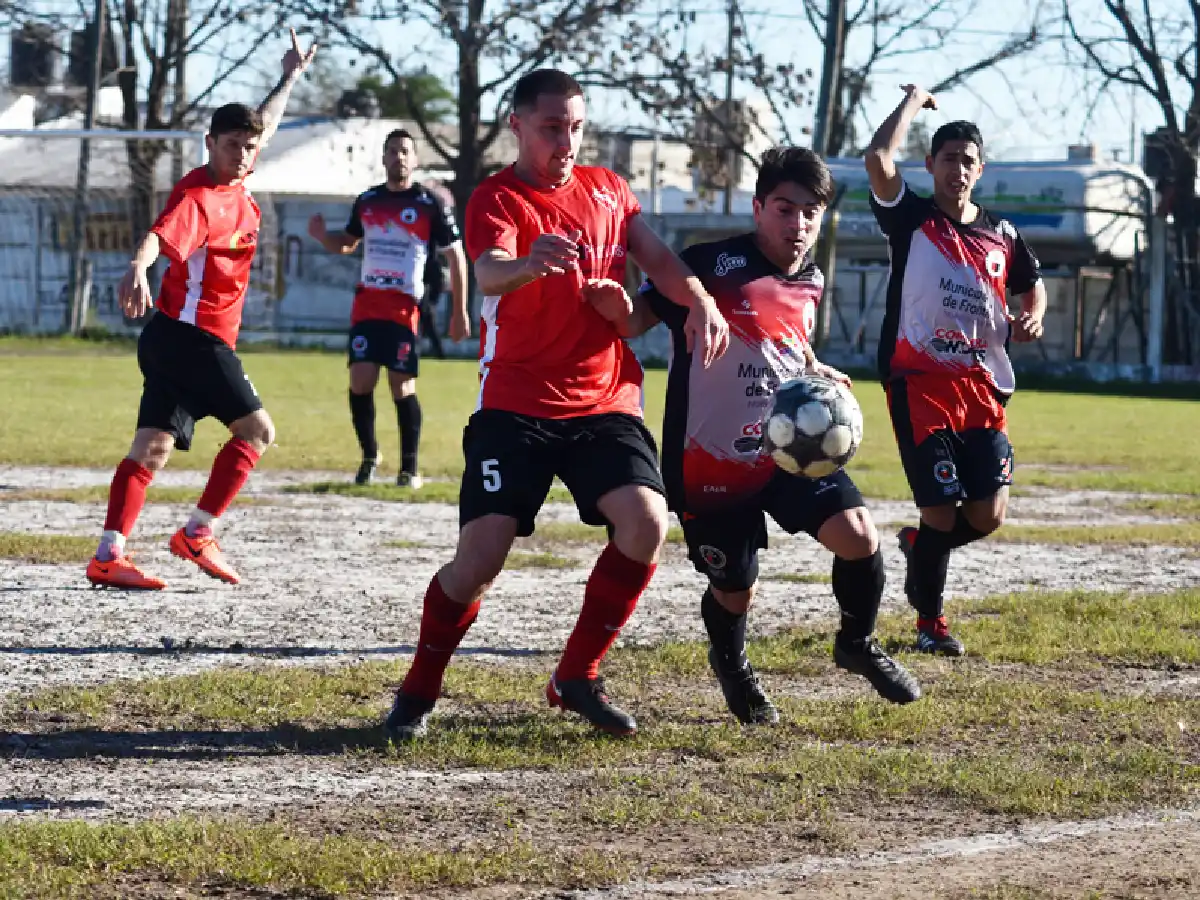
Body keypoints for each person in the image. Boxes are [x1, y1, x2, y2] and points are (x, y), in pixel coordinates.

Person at [384, 68, 729, 739]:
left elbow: (658, 258)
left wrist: (705, 304)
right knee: (478, 562)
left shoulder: (609, 190)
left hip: (604, 400)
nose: (566, 140)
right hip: (514, 405)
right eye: (551, 127)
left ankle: (576, 676)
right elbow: (488, 269)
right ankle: (418, 692)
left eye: (575, 126)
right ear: (517, 125)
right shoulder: (496, 197)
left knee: (646, 524)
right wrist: (526, 265)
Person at [595, 147, 922, 722]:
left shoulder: (813, 278)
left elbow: (784, 339)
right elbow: (636, 320)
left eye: (809, 213)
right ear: (758, 208)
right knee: (736, 587)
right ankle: (735, 666)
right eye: (784, 209)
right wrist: (615, 305)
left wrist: (813, 368)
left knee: (860, 535)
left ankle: (856, 641)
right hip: (709, 461)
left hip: (789, 449)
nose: (797, 225)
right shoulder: (706, 265)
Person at [84, 28, 317, 590]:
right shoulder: (200, 200)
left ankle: (108, 553)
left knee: (153, 445)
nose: (243, 154)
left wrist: (290, 74)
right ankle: (198, 532)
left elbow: (267, 119)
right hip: (194, 338)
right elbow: (157, 238)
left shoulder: (241, 176)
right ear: (210, 144)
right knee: (258, 431)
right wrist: (138, 268)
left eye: (249, 146)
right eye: (232, 144)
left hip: (171, 338)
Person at [864, 85, 1047, 655]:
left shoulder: (1003, 234)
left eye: (969, 161)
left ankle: (923, 547)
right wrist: (915, 104)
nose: (959, 169)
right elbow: (876, 160)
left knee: (988, 514)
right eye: (949, 159)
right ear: (931, 165)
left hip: (983, 386)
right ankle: (929, 625)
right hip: (919, 383)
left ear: (980, 169)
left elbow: (1032, 286)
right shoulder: (911, 218)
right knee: (940, 507)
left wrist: (1031, 316)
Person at [308, 130, 469, 487]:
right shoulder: (368, 201)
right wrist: (323, 237)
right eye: (392, 151)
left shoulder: (430, 204)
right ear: (383, 158)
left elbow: (456, 256)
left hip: (404, 309)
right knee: (360, 381)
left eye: (405, 151)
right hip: (367, 305)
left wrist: (460, 312)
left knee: (402, 385)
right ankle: (369, 457)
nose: (399, 157)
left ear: (415, 160)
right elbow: (348, 243)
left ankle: (409, 468)